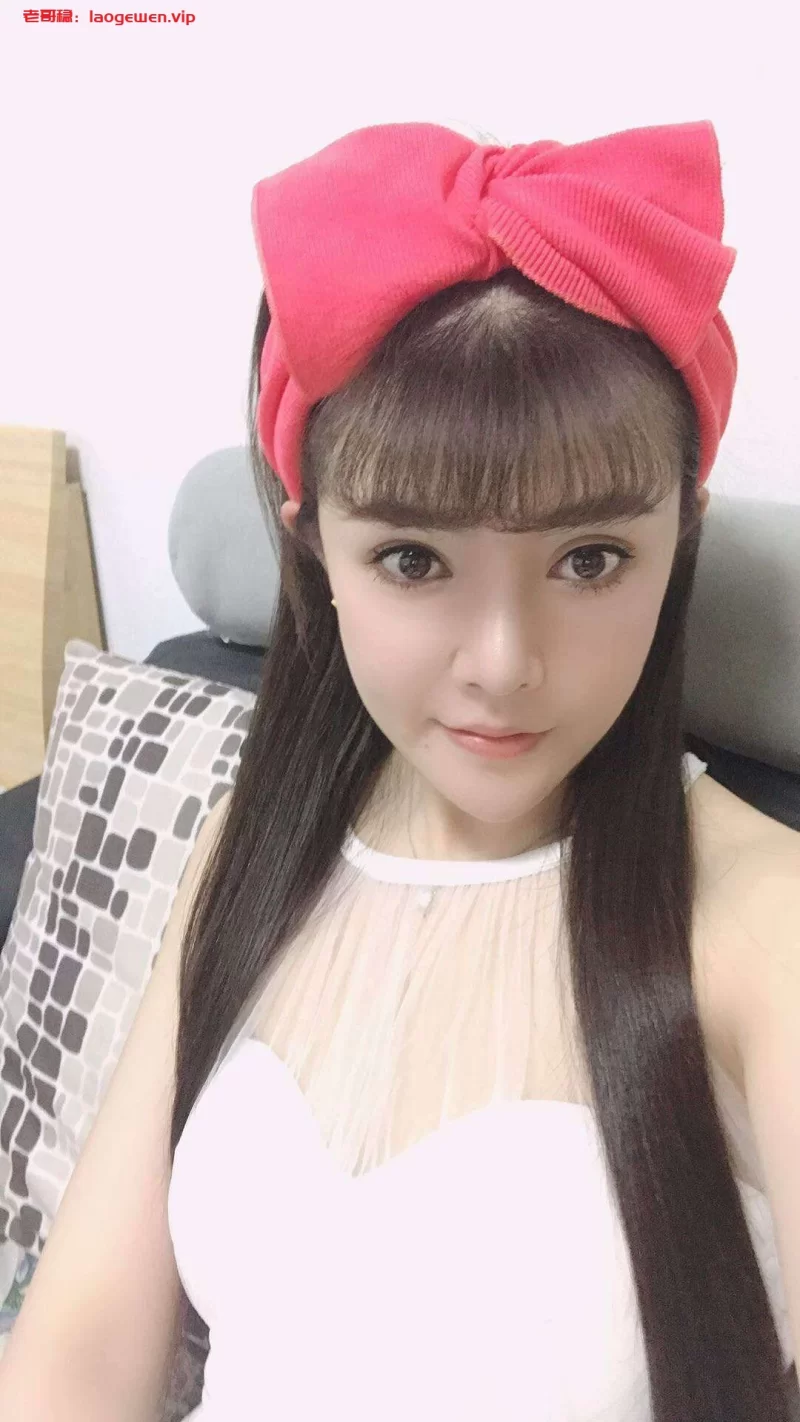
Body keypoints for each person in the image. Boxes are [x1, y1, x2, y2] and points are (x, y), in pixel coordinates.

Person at [1, 119, 798, 1422]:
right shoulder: (253, 850)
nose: (504, 663)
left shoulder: (764, 924)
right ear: (313, 545)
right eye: (413, 561)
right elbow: (76, 1359)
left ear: (683, 534)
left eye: (591, 558)